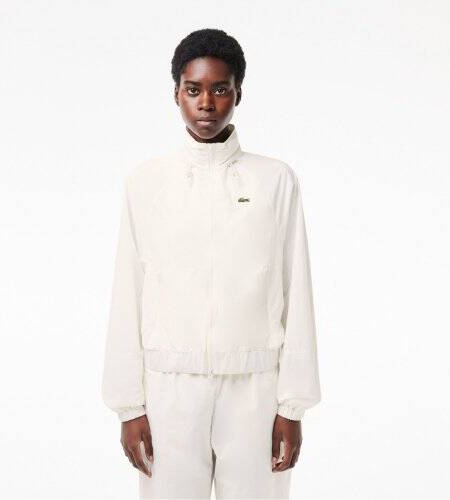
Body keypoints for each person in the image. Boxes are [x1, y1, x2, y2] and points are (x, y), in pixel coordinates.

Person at [101, 28, 321, 499]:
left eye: (220, 89)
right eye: (193, 89)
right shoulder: (147, 183)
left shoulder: (275, 181)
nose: (206, 103)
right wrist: (129, 407)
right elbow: (128, 291)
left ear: (238, 93)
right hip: (169, 390)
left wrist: (292, 407)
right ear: (176, 94)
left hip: (255, 388)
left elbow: (296, 289)